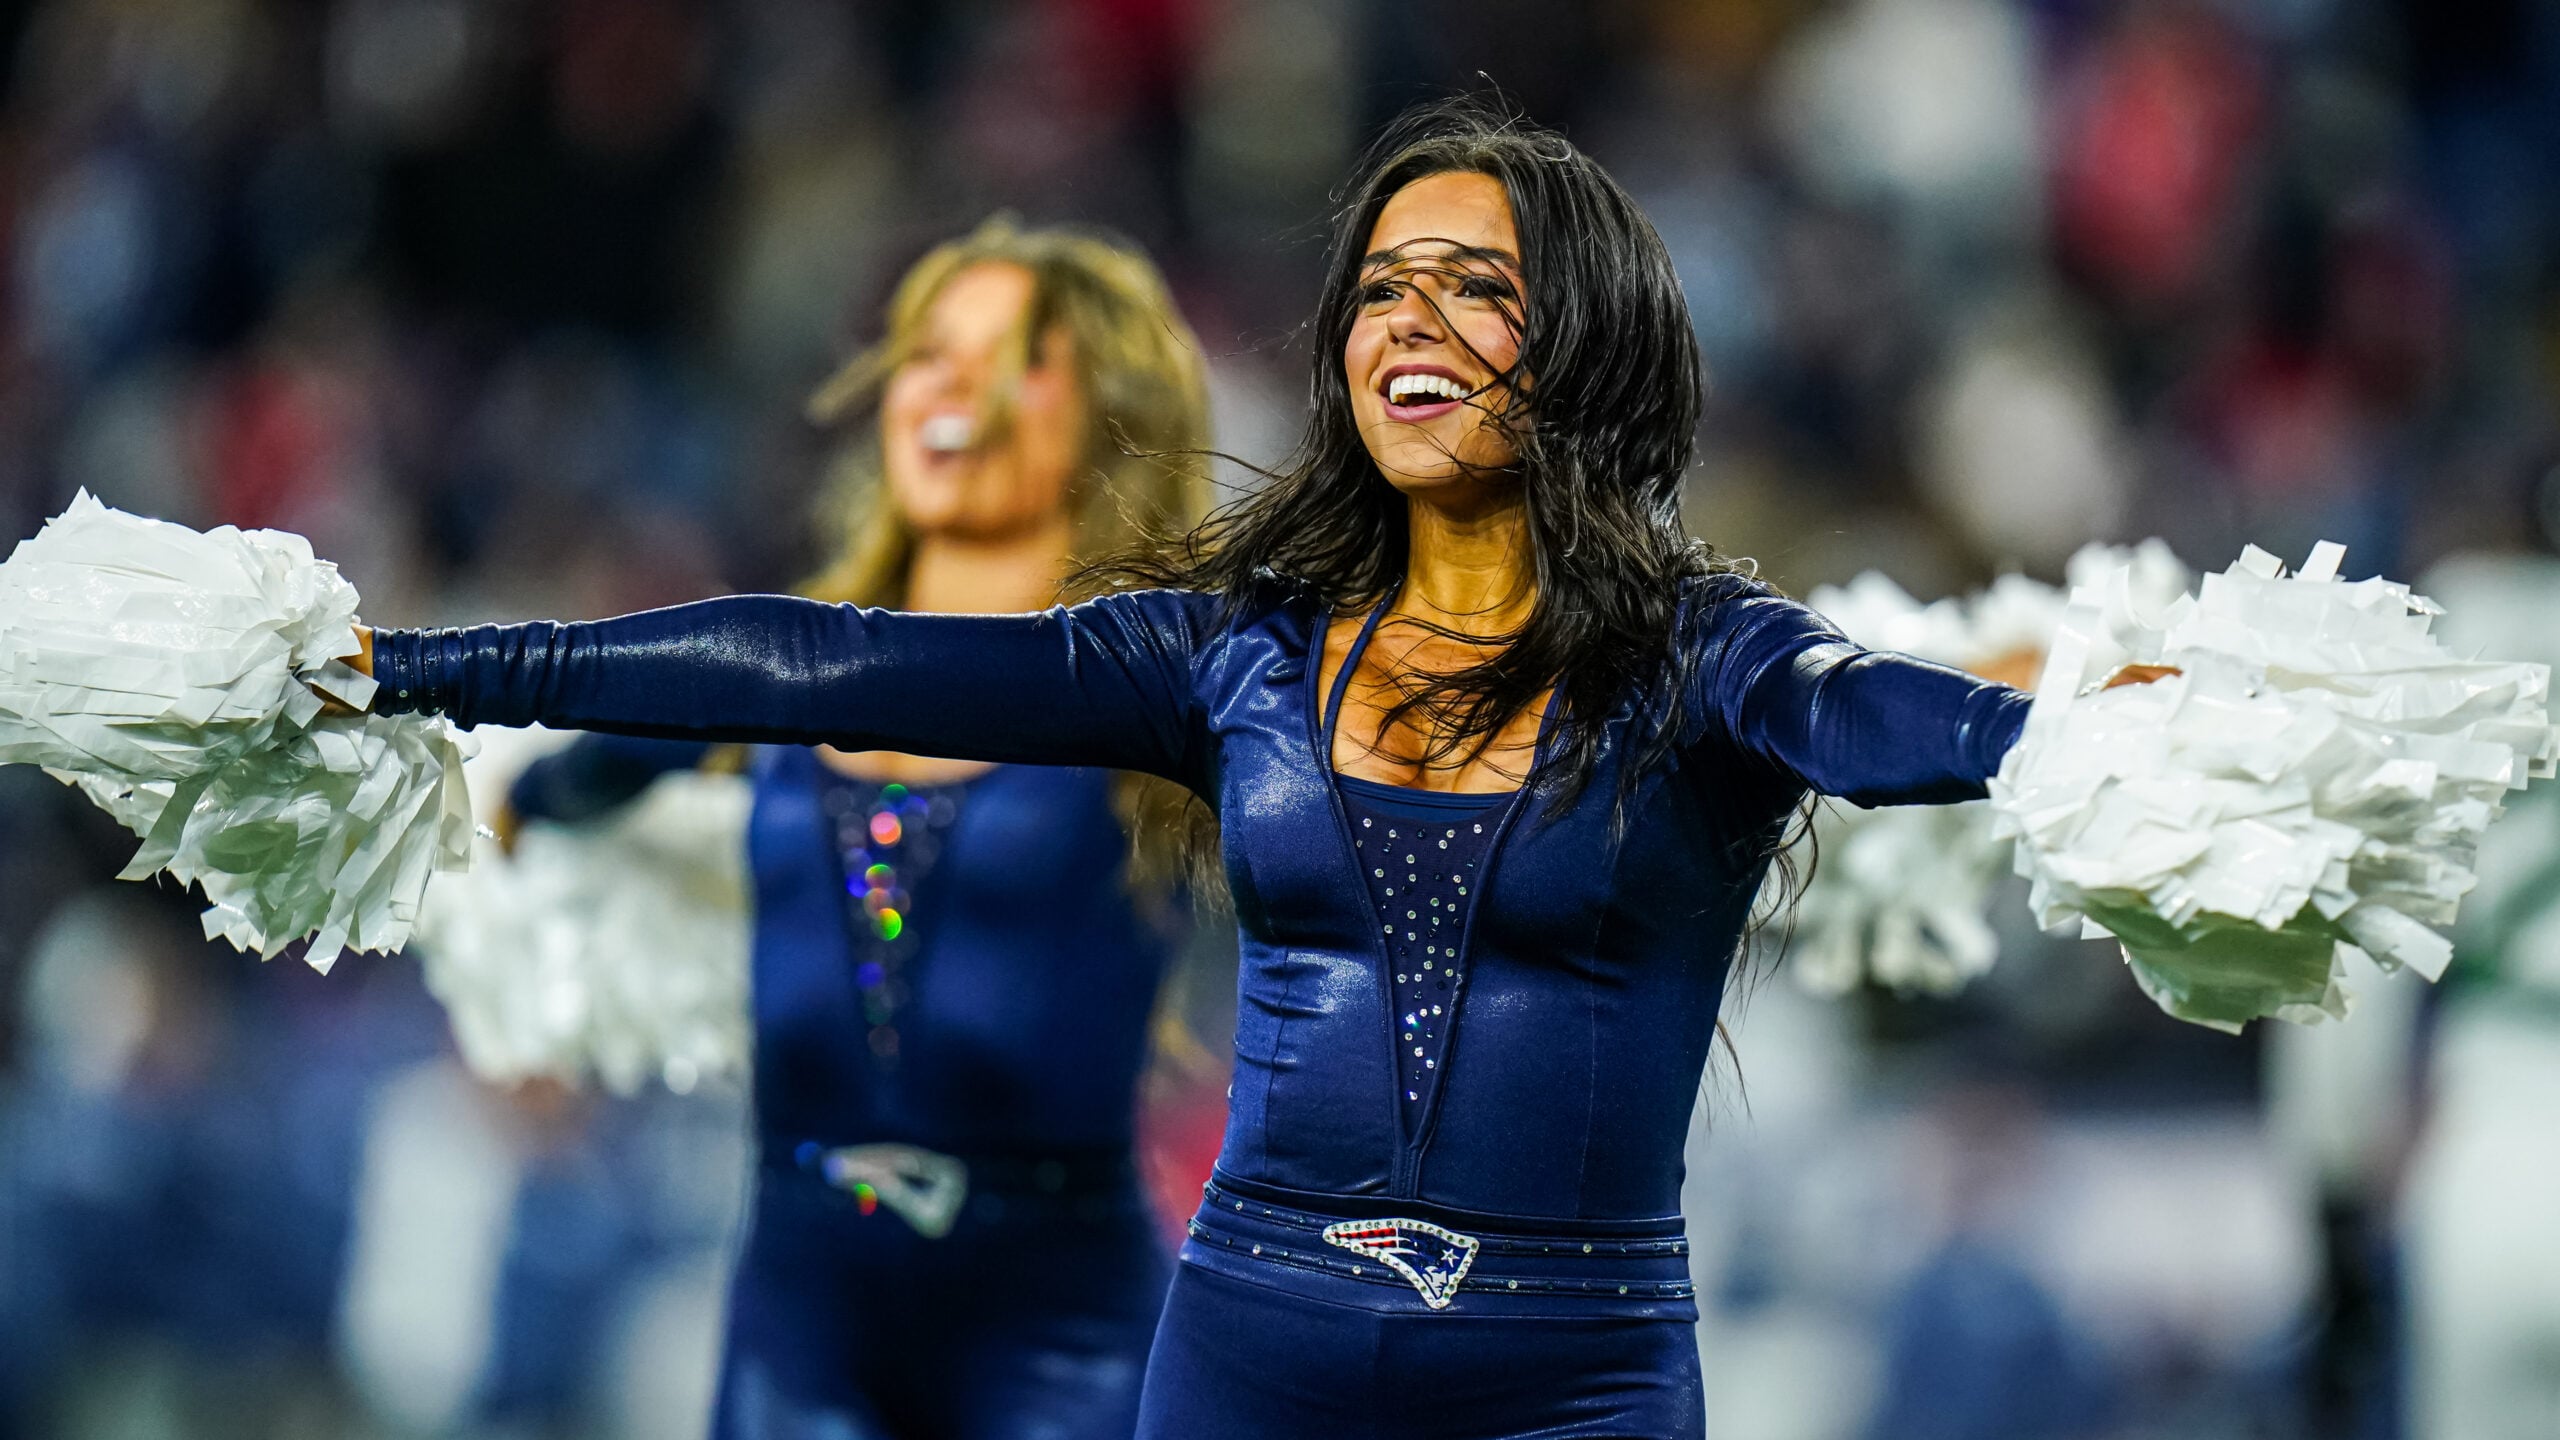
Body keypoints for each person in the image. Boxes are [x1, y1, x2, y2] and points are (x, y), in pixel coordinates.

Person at [360, 103, 2043, 1438]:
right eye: (1382, 284)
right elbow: (829, 659)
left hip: (1575, 1379)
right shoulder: (1233, 652)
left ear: (1588, 340)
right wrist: (438, 672)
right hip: (1247, 1358)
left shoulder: (1715, 658)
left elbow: (1905, 722)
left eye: (1475, 283)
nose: (1412, 318)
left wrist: (2089, 744)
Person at [483, 218, 1213, 1440]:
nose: (949, 384)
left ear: (1111, 417)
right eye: (926, 349)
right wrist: (509, 802)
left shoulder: (1171, 686)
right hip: (800, 1306)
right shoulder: (782, 663)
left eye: (1013, 357)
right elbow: (589, 760)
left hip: (1063, 1328)